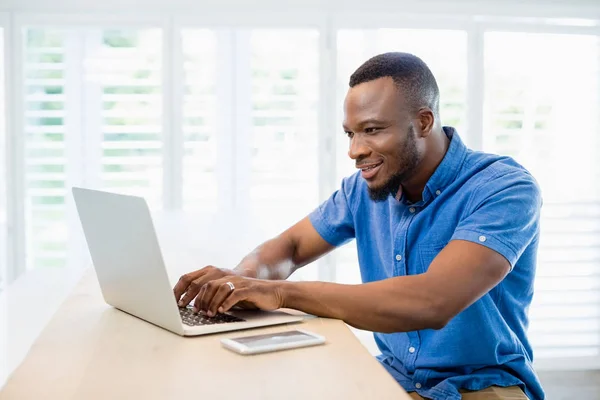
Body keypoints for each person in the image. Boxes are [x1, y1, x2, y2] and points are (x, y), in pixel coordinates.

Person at [173, 52, 544, 400]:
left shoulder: (504, 188)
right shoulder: (363, 190)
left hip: (482, 387)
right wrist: (240, 280)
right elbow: (291, 247)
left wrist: (281, 293)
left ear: (423, 122)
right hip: (394, 378)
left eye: (372, 130)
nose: (355, 150)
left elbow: (433, 301)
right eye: (351, 133)